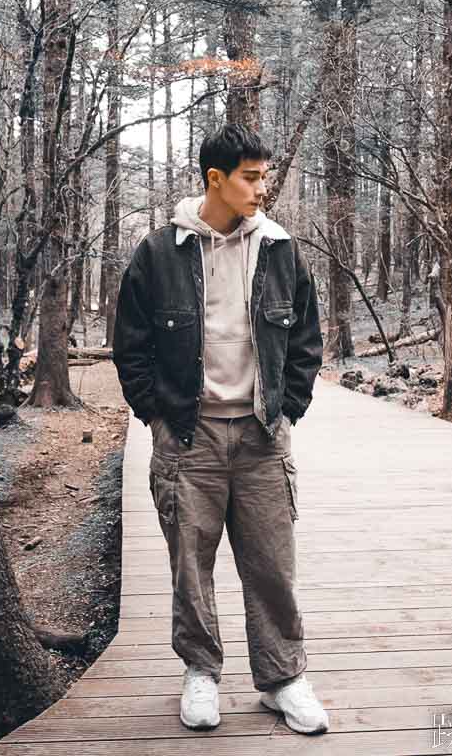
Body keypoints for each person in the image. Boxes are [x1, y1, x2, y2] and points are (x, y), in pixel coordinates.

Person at [113, 123, 327, 735]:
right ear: (216, 179)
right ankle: (201, 673)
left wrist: (288, 410)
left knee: (271, 566)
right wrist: (156, 415)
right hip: (189, 437)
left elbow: (307, 338)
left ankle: (283, 679)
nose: (264, 188)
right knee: (191, 564)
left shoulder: (281, 249)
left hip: (262, 438)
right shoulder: (159, 254)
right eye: (252, 177)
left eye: (265, 176)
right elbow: (131, 346)